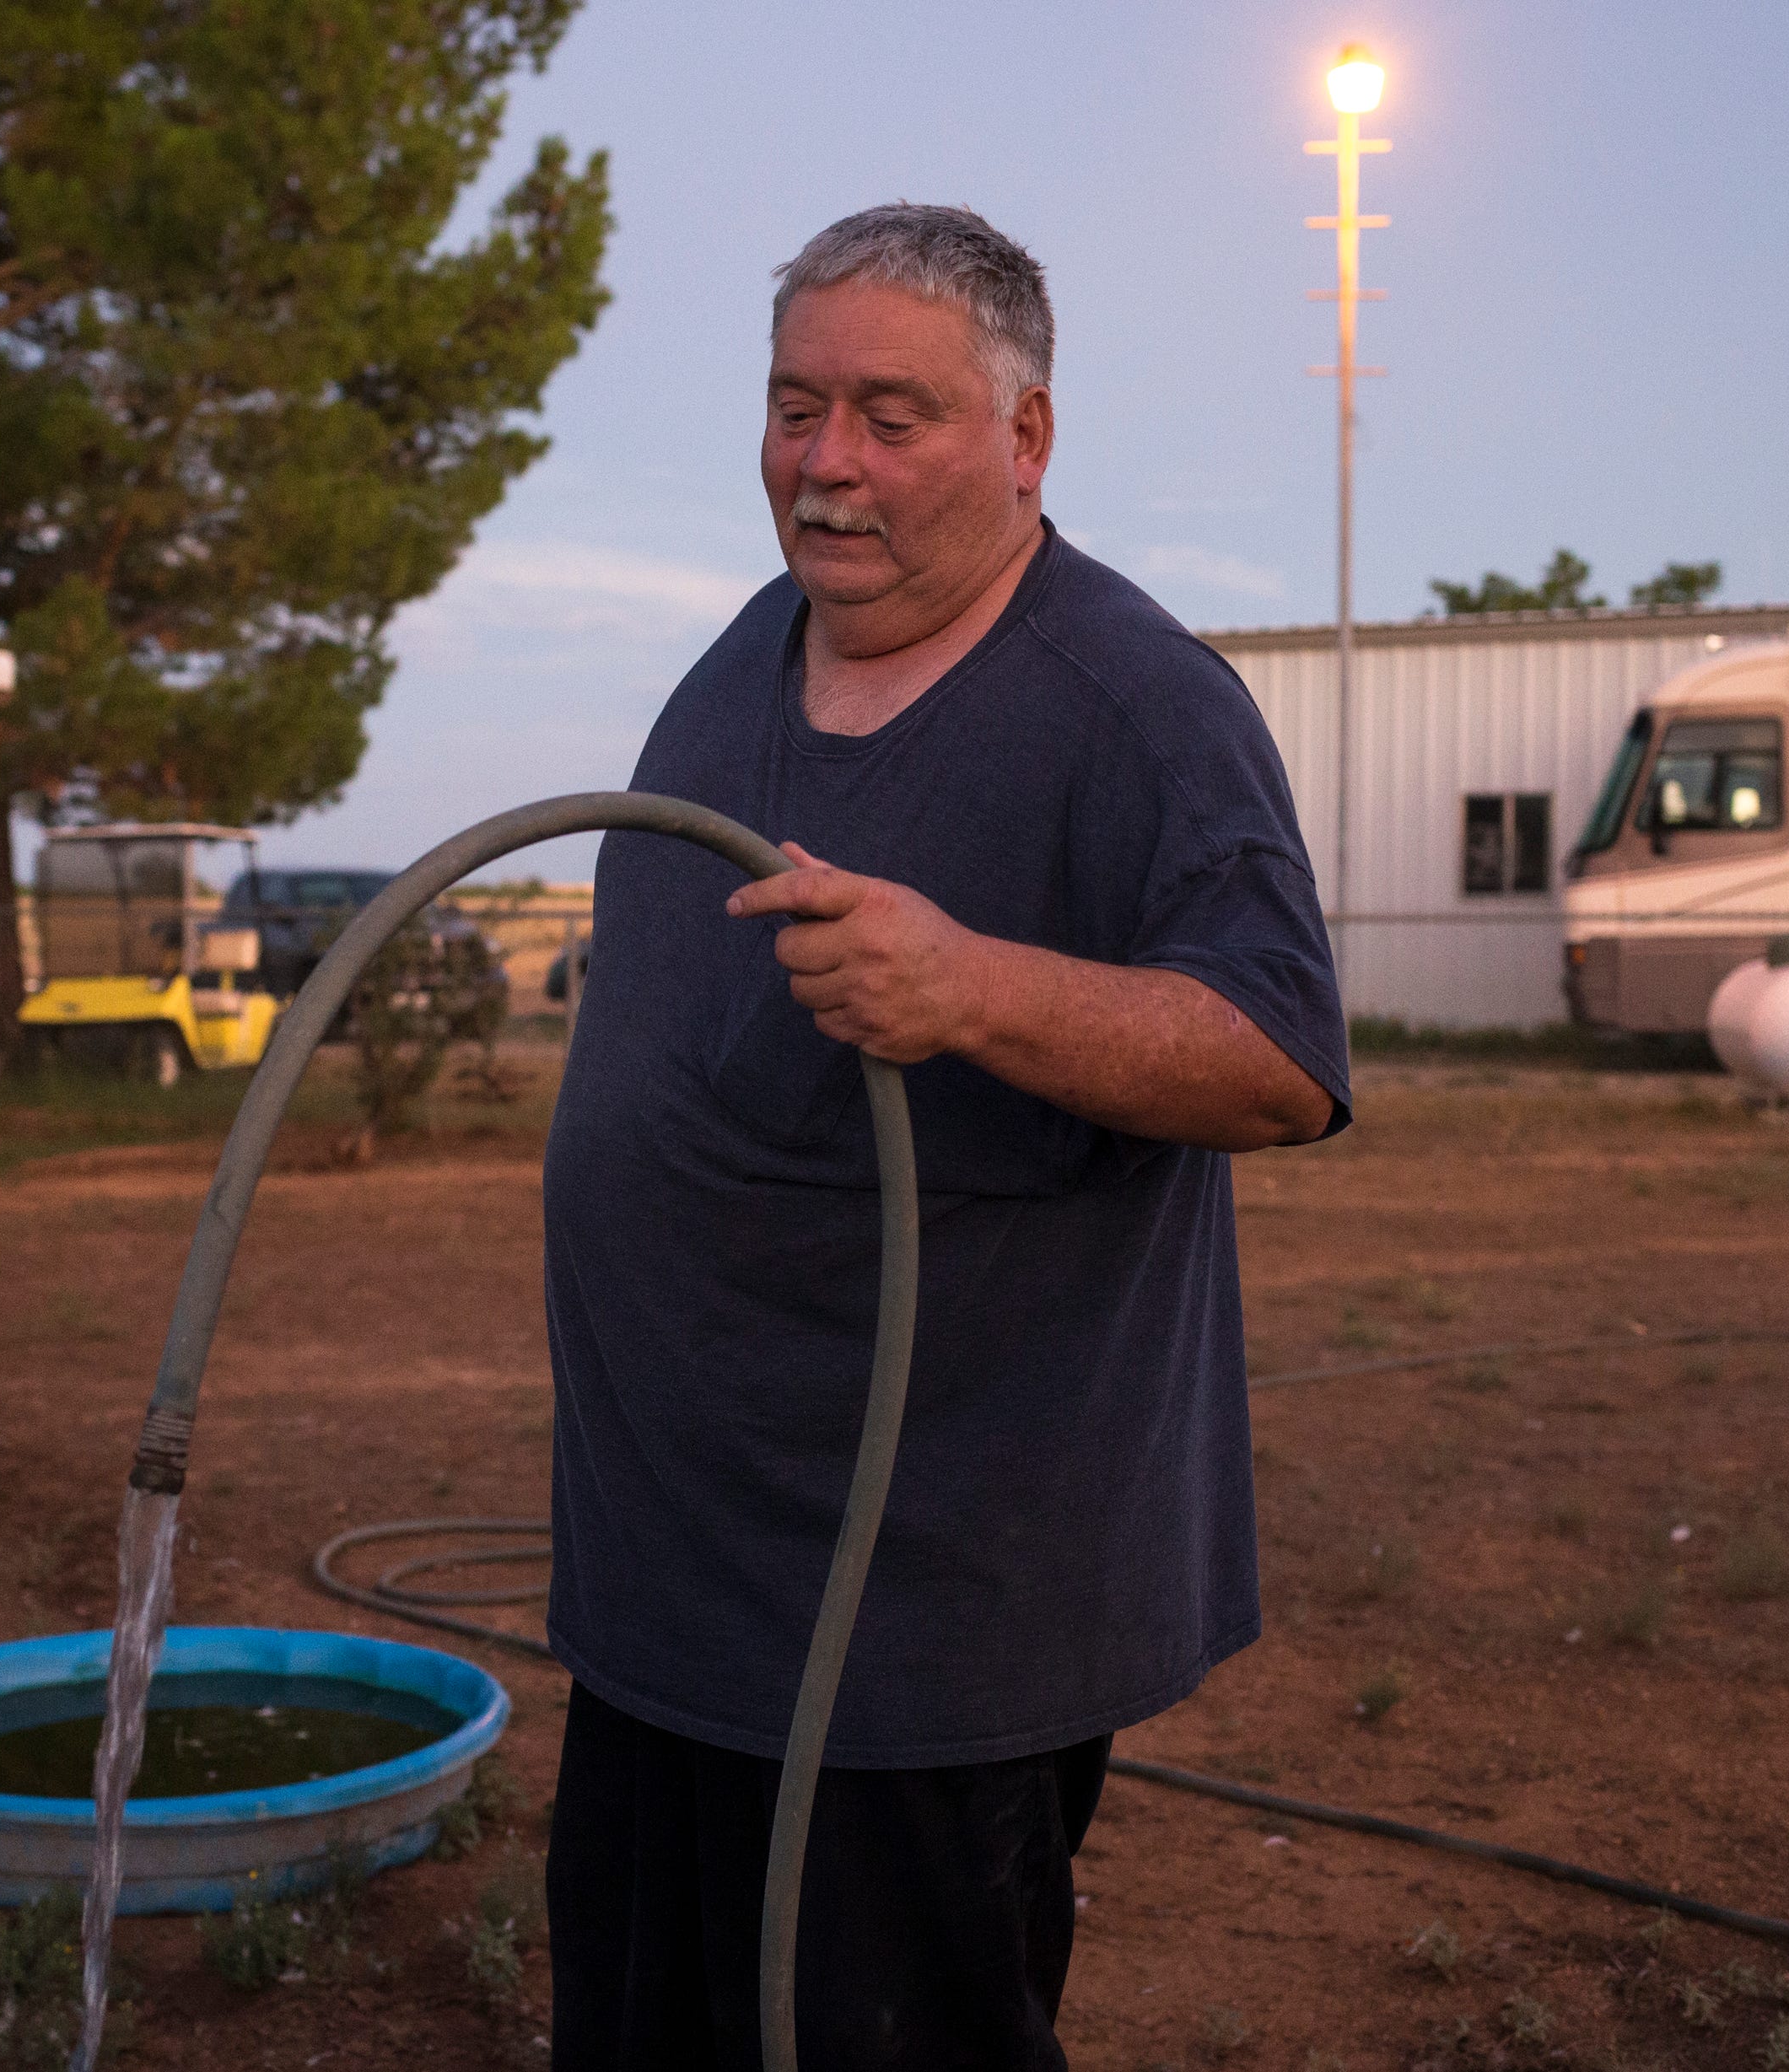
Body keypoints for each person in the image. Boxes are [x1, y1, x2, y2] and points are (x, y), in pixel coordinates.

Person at [542, 202, 1350, 2070]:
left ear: (1025, 435)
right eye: (794, 406)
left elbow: (1278, 1056)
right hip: (674, 1579)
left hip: (919, 1624)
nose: (827, 463)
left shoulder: (1136, 707)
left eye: (892, 416)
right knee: (648, 2018)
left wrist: (978, 986)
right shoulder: (753, 651)